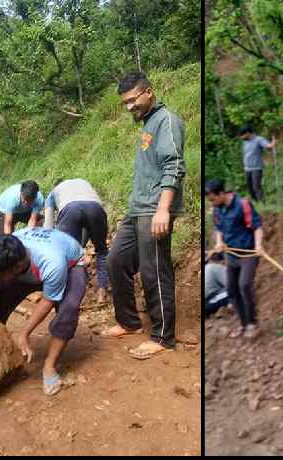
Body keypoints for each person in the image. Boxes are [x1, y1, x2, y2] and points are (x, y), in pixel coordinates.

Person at [105, 71, 186, 360]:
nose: (129, 107)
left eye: (132, 100)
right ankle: (128, 321)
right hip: (138, 208)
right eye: (125, 103)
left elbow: (174, 166)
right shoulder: (149, 123)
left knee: (154, 270)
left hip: (155, 208)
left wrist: (163, 209)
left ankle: (163, 337)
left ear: (148, 92)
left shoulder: (166, 121)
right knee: (116, 260)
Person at [0, 229, 86, 396]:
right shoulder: (6, 250)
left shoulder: (53, 262)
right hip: (32, 266)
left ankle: (49, 366)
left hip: (70, 265)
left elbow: (47, 301)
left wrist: (24, 333)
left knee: (69, 308)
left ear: (16, 268)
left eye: (0, 274)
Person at [206, 179, 264, 339]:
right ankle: (244, 324)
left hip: (248, 254)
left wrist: (258, 246)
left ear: (221, 193)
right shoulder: (217, 209)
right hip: (230, 255)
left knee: (244, 285)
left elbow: (257, 226)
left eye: (212, 199)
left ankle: (253, 323)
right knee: (232, 290)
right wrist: (219, 242)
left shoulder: (243, 204)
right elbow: (219, 228)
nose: (211, 203)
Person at [43, 178, 110, 304]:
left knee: (68, 253)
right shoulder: (82, 182)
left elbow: (48, 229)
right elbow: (88, 211)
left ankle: (72, 292)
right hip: (96, 208)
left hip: (71, 210)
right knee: (101, 251)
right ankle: (102, 291)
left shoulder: (52, 194)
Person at [238, 124, 276, 203]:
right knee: (250, 188)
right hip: (247, 168)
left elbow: (268, 146)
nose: (241, 137)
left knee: (256, 187)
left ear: (248, 133)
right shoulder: (245, 142)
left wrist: (272, 144)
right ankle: (256, 204)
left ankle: (263, 203)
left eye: (242, 135)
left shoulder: (259, 139)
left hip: (256, 168)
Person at [204, 252, 231, 319]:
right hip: (208, 302)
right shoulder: (217, 267)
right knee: (234, 290)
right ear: (222, 261)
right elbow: (230, 284)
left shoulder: (207, 267)